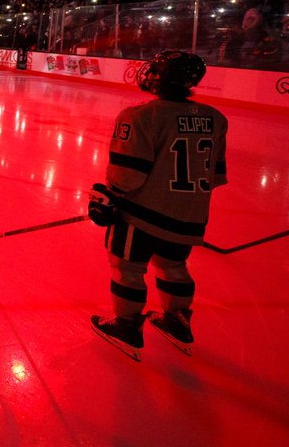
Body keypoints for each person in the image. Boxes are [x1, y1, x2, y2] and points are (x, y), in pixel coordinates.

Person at [88, 50, 228, 360]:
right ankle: (177, 321)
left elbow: (127, 176)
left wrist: (106, 196)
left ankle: (126, 327)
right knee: (173, 265)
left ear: (160, 77)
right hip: (189, 216)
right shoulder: (216, 118)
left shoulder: (140, 116)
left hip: (141, 216)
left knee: (127, 268)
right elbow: (215, 176)